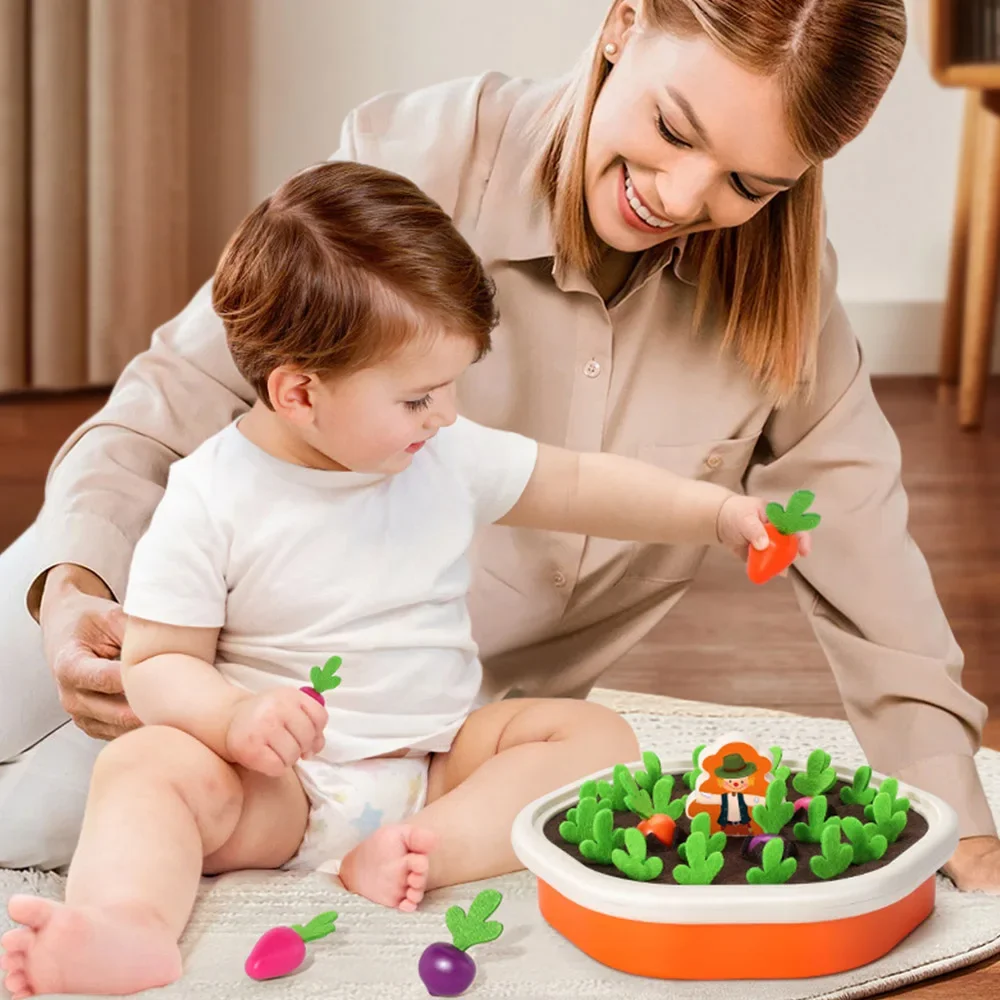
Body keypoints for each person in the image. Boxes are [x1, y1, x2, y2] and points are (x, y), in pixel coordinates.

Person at [1, 0, 997, 891]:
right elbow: (182, 390)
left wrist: (947, 798)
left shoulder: (783, 303)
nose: (685, 197)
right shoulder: (422, 156)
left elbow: (859, 537)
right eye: (670, 129)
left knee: (72, 820)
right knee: (41, 772)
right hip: (180, 629)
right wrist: (72, 581)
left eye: (748, 181)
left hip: (411, 731)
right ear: (623, 22)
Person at [0, 160, 791, 998]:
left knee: (600, 741)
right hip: (279, 789)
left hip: (436, 760)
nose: (446, 414)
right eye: (418, 398)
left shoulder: (443, 453)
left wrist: (713, 513)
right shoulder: (210, 497)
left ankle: (424, 847)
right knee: (145, 767)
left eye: (452, 386)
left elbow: (577, 484)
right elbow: (156, 665)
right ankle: (125, 928)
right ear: (300, 393)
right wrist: (234, 720)